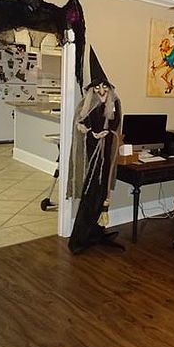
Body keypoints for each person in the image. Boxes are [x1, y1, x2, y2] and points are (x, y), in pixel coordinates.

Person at [67, 47, 123, 254]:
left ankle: (96, 233)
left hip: (107, 154)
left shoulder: (115, 103)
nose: (101, 91)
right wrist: (91, 132)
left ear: (109, 88)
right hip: (93, 156)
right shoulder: (87, 104)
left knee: (103, 193)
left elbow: (116, 125)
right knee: (91, 195)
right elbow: (80, 124)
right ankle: (80, 239)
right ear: (93, 89)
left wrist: (108, 133)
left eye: (104, 87)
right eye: (97, 87)